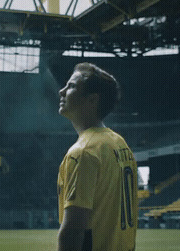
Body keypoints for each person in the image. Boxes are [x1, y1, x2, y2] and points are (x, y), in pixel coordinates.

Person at [57, 62, 137, 251]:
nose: (62, 91)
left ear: (92, 100)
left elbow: (74, 230)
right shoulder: (120, 144)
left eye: (72, 86)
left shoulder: (84, 151)